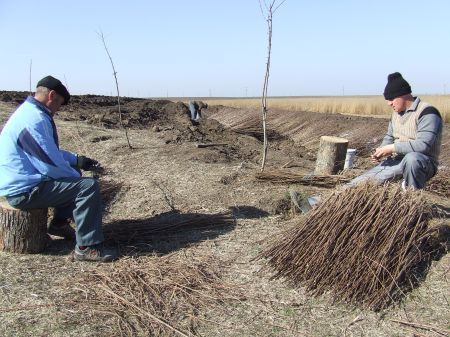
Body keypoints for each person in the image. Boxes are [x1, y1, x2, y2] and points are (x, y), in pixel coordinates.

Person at [0, 75, 117, 262]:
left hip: (22, 183)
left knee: (74, 175)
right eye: (60, 103)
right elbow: (49, 164)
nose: (58, 109)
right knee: (87, 187)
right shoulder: (34, 119)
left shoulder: (29, 112)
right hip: (23, 191)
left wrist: (77, 161)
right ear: (52, 96)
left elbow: (47, 151)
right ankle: (87, 247)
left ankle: (59, 224)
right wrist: (78, 178)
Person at [348, 72, 443, 189]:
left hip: (423, 162)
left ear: (403, 95)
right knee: (357, 185)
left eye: (391, 99)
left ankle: (412, 196)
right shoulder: (395, 115)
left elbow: (422, 145)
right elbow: (389, 137)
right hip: (396, 161)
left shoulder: (428, 112)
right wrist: (381, 150)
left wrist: (392, 148)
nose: (389, 103)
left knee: (412, 159)